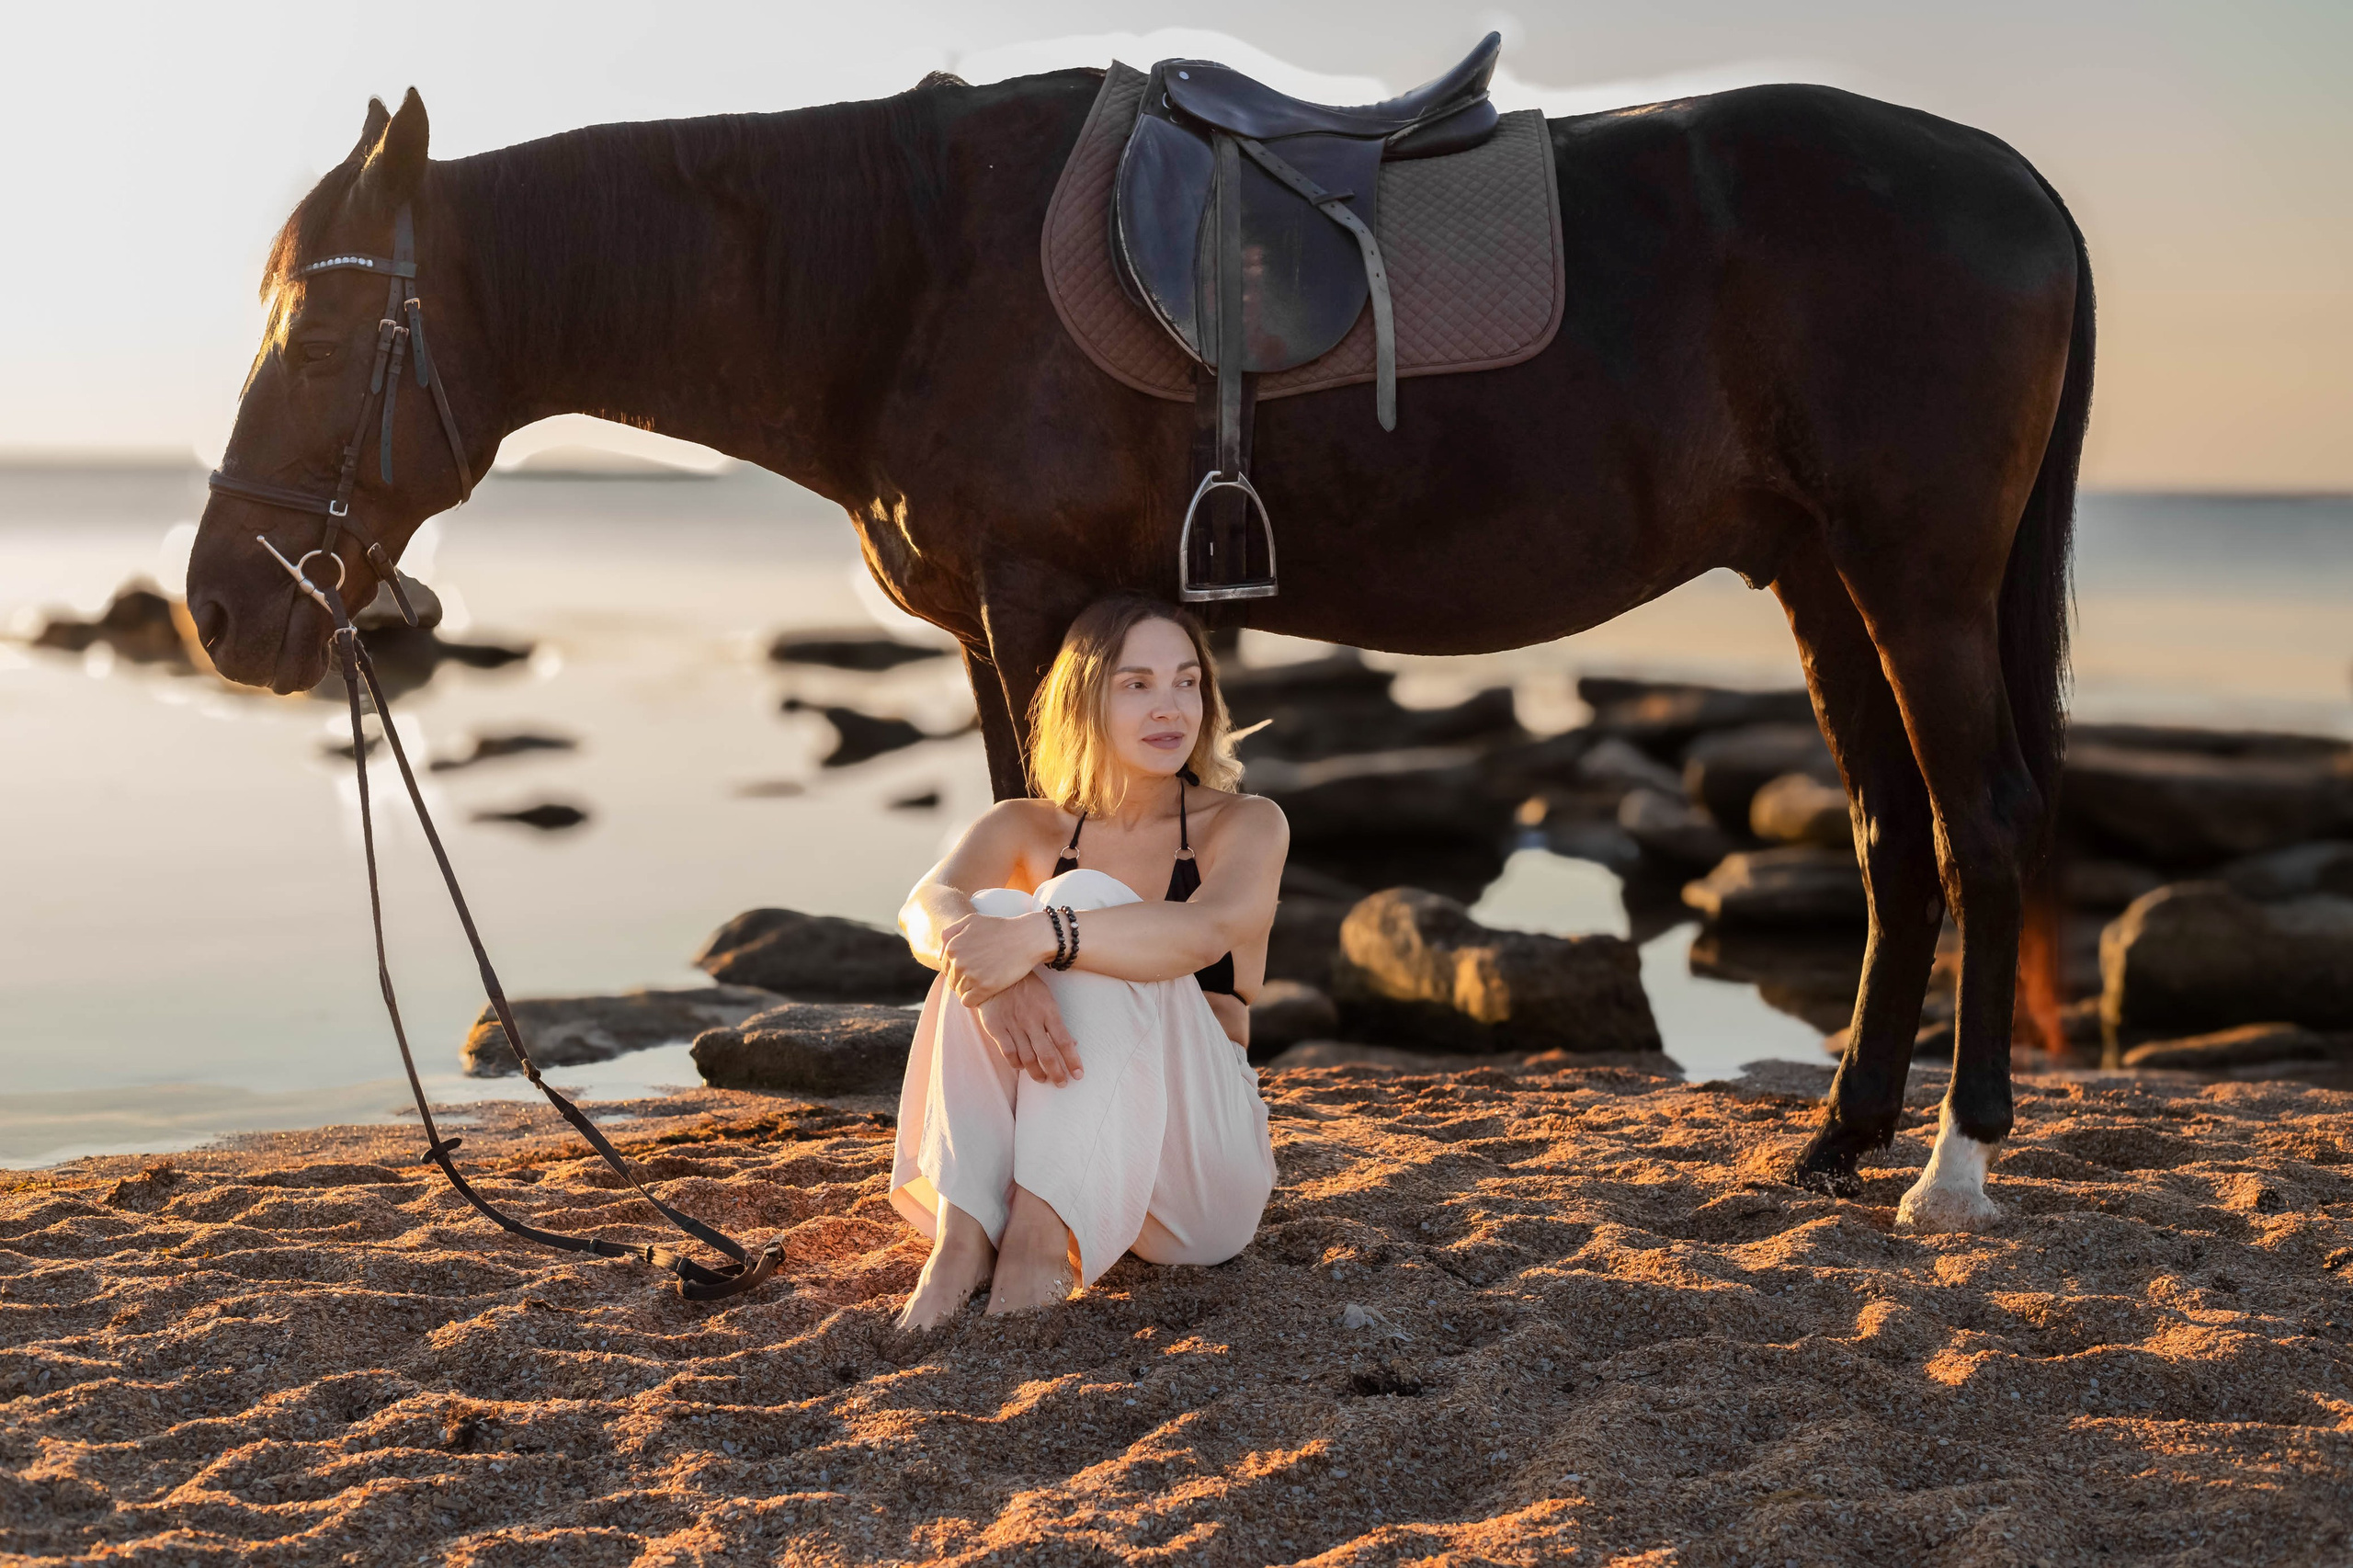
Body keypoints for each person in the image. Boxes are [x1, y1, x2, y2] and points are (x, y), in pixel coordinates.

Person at [890, 596, 1287, 1330]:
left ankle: (1039, 1241)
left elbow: (1202, 933)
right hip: (1060, 1145)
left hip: (1196, 1178)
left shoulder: (1244, 823)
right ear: (1085, 698)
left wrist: (1045, 938)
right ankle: (963, 1239)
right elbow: (925, 906)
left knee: (1063, 902)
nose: (1170, 707)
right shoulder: (1024, 823)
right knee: (990, 914)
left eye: (1186, 681)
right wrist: (998, 982)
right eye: (1136, 684)